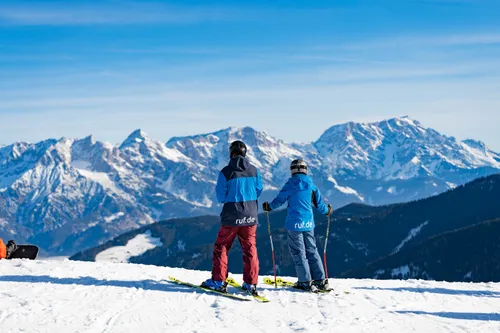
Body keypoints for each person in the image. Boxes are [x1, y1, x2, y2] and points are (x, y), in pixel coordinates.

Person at [202, 141, 263, 295]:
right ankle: (251, 284)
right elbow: (258, 190)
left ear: (231, 153)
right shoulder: (254, 171)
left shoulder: (226, 172)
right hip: (250, 216)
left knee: (221, 246)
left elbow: (221, 197)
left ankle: (218, 281)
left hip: (231, 216)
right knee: (250, 248)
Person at [262, 159, 332, 292]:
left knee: (299, 253)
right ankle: (320, 280)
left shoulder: (290, 184)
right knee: (312, 250)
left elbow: (279, 200)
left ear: (292, 170)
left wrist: (268, 207)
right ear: (305, 170)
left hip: (294, 224)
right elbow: (319, 205)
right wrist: (327, 211)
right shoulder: (311, 185)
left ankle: (305, 281)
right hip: (308, 223)